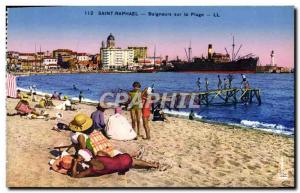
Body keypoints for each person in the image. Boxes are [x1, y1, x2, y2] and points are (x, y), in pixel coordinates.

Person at [70, 149, 159, 178]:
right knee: (131, 160)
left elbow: (75, 176)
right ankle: (153, 165)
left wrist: (74, 163)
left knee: (129, 163)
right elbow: (107, 156)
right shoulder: (99, 156)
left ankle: (137, 158)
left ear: (83, 159)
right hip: (122, 158)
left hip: (122, 165)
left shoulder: (90, 170)